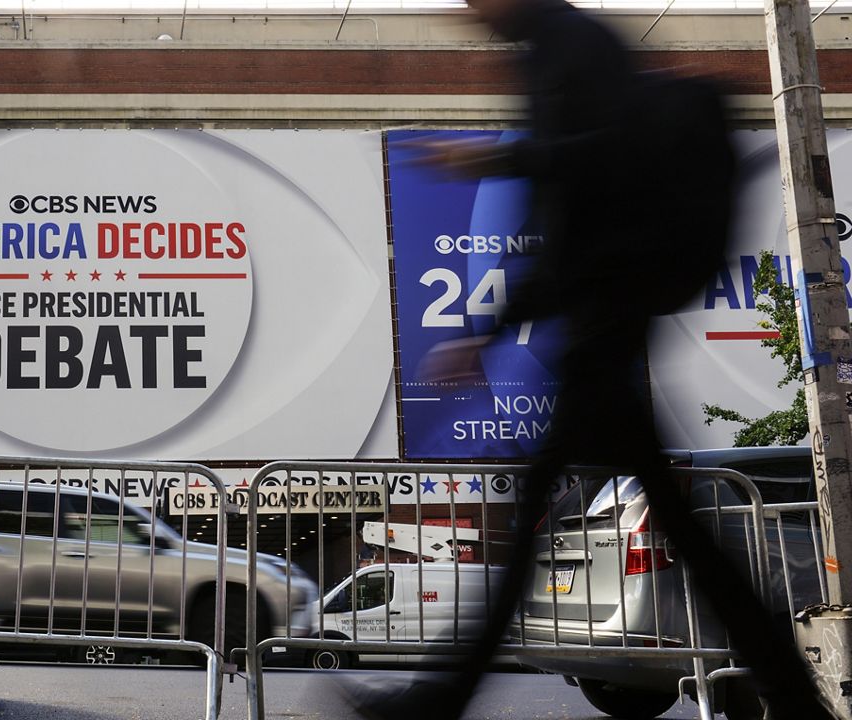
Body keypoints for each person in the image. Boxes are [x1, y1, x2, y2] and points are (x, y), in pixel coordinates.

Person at [341, 0, 834, 717]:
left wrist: (499, 160)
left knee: (621, 525)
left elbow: (598, 176)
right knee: (672, 529)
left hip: (605, 320)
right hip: (600, 319)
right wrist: (495, 324)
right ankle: (791, 696)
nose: (464, 11)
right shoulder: (556, 45)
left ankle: (438, 701)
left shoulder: (568, 45)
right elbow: (569, 212)